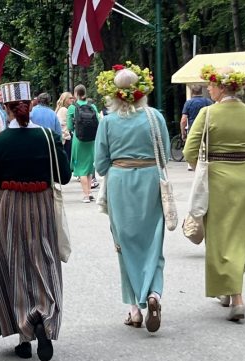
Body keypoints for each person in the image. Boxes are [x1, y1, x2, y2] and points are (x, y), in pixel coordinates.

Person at [0, 81, 71, 361]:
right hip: (41, 204)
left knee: (13, 265)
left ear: (6, 108)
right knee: (43, 262)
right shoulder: (47, 137)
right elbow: (64, 176)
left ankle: (23, 333)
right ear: (30, 105)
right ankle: (43, 317)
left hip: (10, 206)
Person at [183, 65, 245, 322]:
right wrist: (243, 157)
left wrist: (203, 171)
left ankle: (236, 297)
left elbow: (188, 151)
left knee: (219, 236)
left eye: (211, 85)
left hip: (216, 179)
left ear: (220, 87)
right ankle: (229, 291)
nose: (209, 89)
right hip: (244, 179)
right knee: (240, 236)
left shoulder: (208, 113)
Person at [94, 63, 169, 333]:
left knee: (123, 245)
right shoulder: (155, 117)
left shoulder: (109, 122)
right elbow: (166, 155)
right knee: (153, 243)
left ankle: (134, 310)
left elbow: (100, 164)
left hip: (121, 183)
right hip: (150, 181)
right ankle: (154, 295)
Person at [68, 84, 100, 202]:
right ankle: (90, 192)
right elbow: (98, 121)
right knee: (89, 166)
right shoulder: (92, 106)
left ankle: (86, 195)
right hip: (91, 139)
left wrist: (75, 131)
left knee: (81, 167)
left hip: (79, 139)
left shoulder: (72, 107)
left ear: (76, 94)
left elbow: (69, 126)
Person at [55, 92, 75, 163]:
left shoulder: (61, 110)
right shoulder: (64, 110)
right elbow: (63, 126)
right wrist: (68, 137)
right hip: (65, 140)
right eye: (70, 98)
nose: (72, 99)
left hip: (63, 139)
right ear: (65, 99)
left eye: (72, 98)